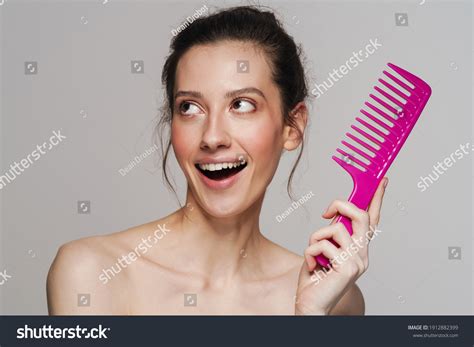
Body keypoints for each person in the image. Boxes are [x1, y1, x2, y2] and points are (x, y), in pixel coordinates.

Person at [47, 5, 388, 315]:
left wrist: (308, 316)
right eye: (190, 108)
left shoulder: (337, 300)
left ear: (291, 127)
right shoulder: (92, 273)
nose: (212, 137)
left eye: (241, 104)